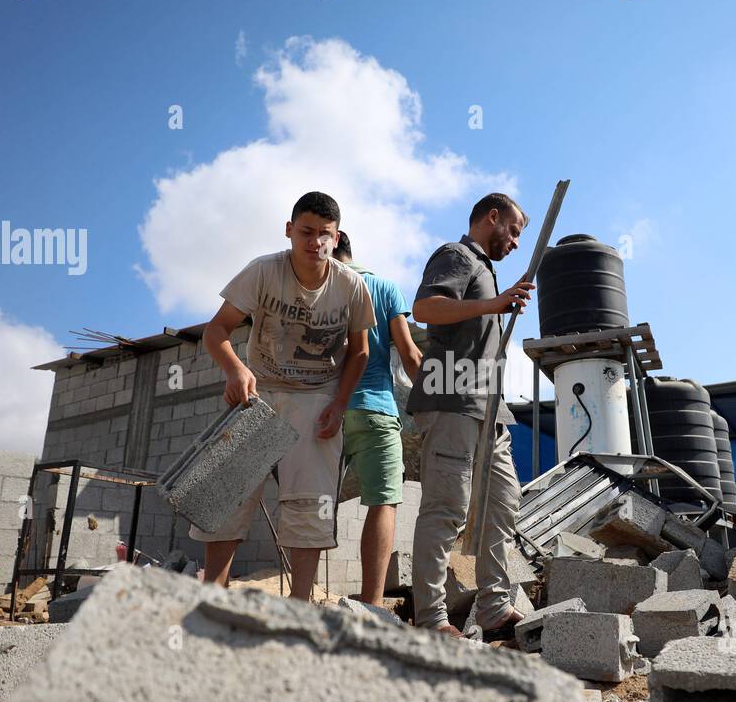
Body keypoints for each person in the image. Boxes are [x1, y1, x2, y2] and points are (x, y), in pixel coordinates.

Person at [191, 192, 375, 598]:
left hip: (316, 398)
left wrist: (339, 405)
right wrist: (236, 370)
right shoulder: (263, 271)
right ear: (289, 230)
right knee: (225, 493)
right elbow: (216, 331)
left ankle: (299, 606)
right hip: (260, 391)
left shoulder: (351, 285)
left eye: (324, 235)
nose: (315, 243)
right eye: (306, 232)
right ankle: (213, 598)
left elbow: (359, 351)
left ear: (336, 237)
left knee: (309, 505)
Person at [407, 193, 535, 640]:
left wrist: (496, 303)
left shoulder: (487, 270)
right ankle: (431, 619)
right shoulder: (456, 255)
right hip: (452, 401)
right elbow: (425, 309)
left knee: (503, 504)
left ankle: (495, 608)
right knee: (447, 509)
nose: (517, 242)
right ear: (492, 217)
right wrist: (491, 304)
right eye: (514, 230)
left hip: (488, 410)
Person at [332, 231, 423, 607]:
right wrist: (435, 406)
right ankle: (371, 607)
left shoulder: (319, 287)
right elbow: (410, 355)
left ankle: (299, 595)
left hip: (325, 411)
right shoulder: (385, 288)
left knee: (311, 501)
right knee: (383, 502)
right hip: (375, 410)